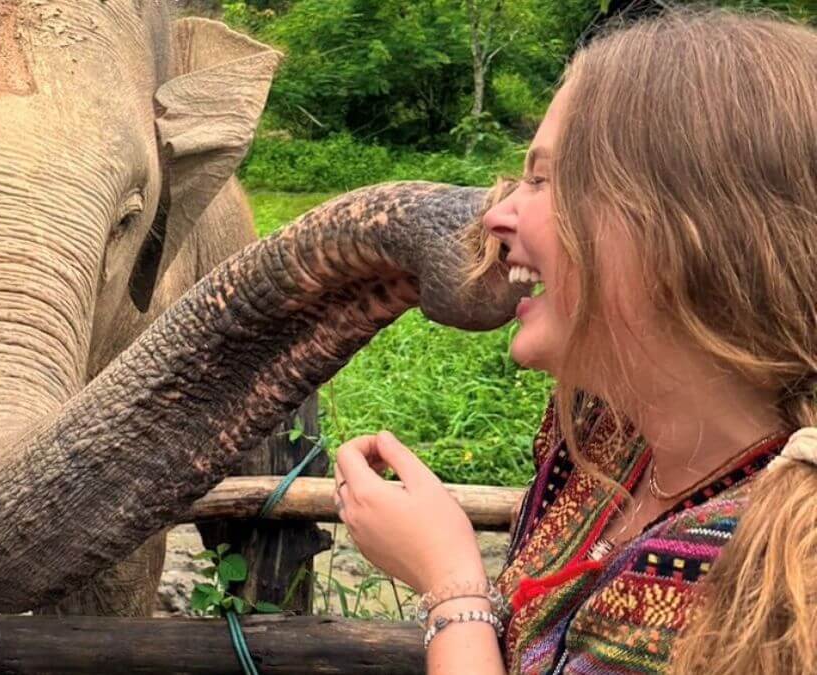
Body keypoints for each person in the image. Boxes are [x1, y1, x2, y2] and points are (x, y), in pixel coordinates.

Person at [332, 7, 817, 674]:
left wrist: (450, 585)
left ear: (681, 229)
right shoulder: (606, 436)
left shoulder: (751, 572)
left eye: (542, 179)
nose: (498, 211)